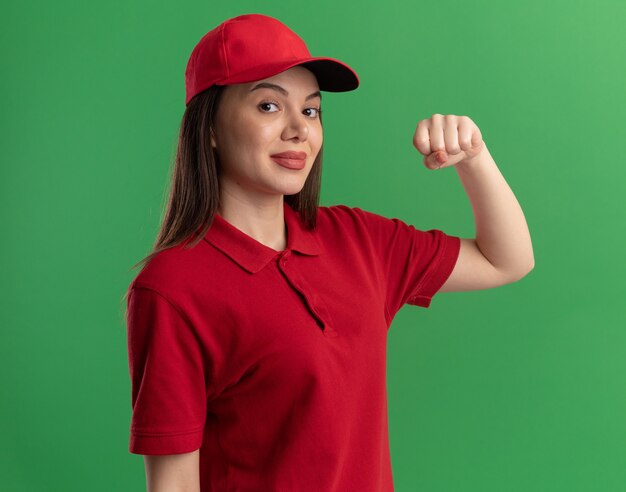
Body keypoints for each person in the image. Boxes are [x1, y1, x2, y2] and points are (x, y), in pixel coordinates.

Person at [123, 13, 534, 492]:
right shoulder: (172, 287)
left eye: (311, 111)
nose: (299, 130)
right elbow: (173, 484)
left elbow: (507, 259)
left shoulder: (360, 240)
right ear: (209, 126)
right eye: (269, 107)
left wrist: (475, 158)